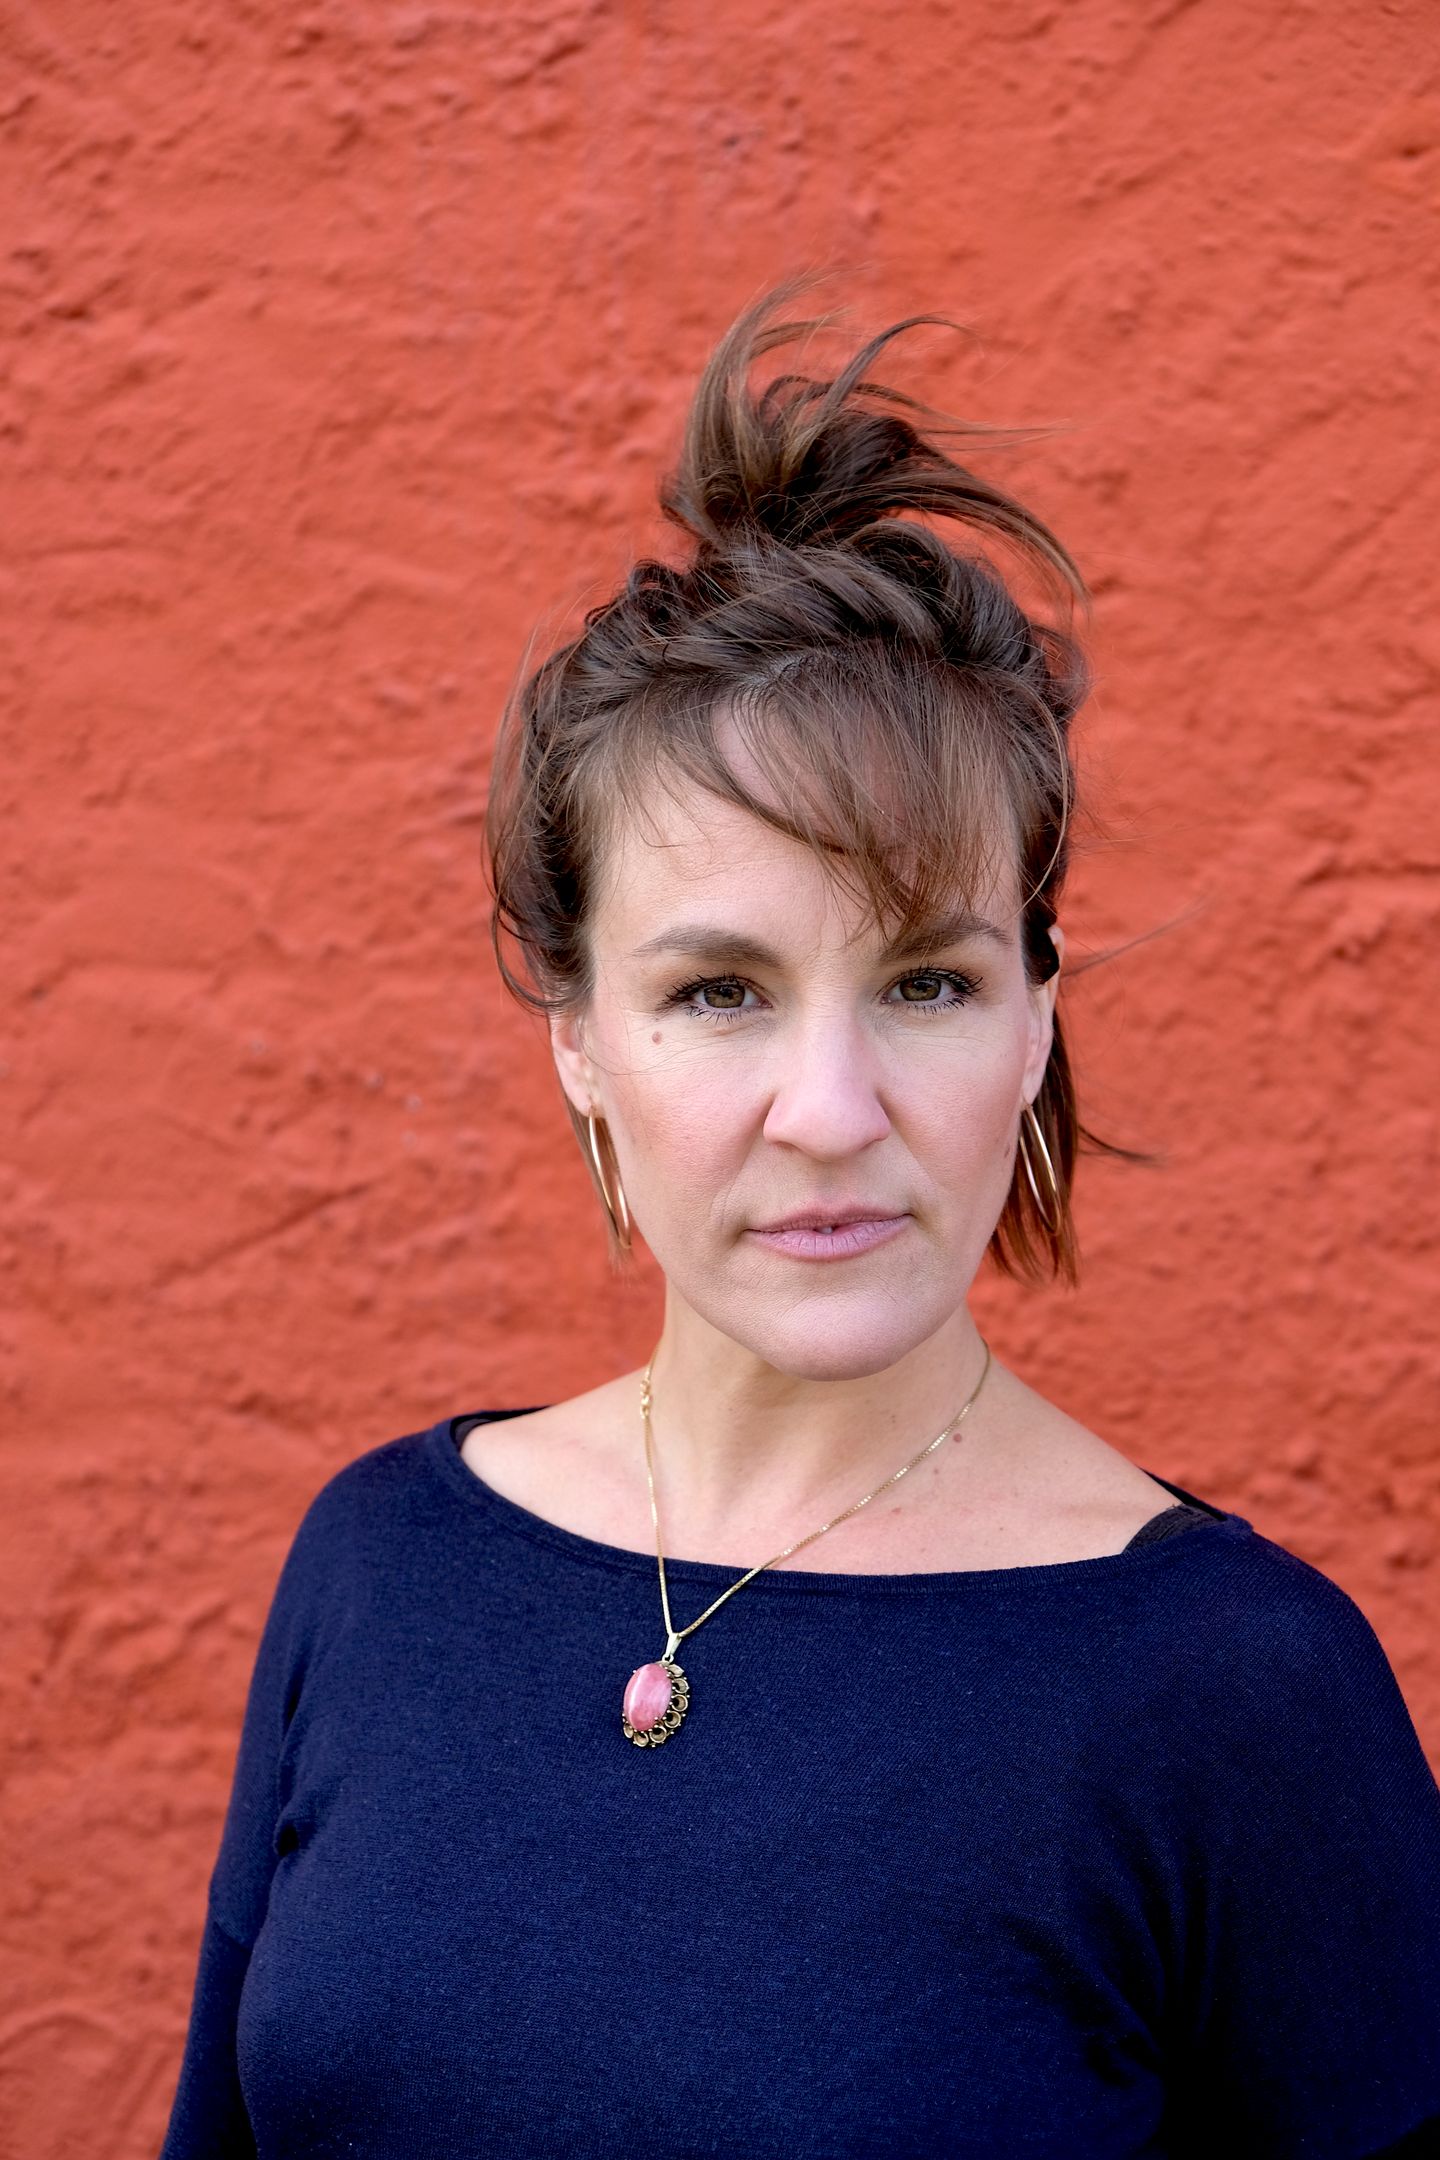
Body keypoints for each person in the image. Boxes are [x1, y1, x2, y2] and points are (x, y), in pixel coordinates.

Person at [157, 279, 1440, 2159]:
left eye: (926, 983)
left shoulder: (1240, 1693)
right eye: (718, 992)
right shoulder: (379, 1567)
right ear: (579, 1041)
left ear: (1036, 1020)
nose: (830, 1113)